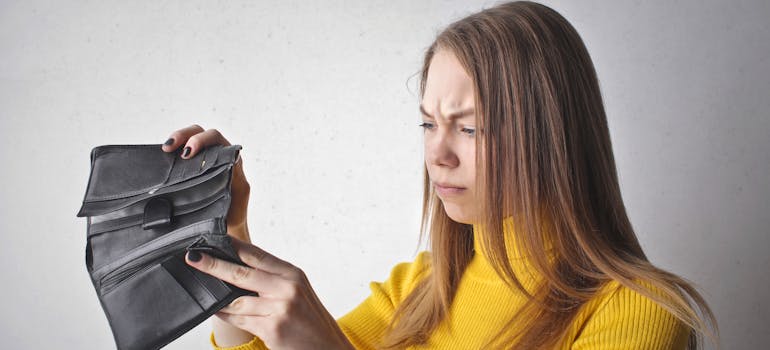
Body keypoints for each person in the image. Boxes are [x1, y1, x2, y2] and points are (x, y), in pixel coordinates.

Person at [161, 1, 718, 349]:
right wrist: (226, 234)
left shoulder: (640, 312)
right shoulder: (423, 287)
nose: (438, 156)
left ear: (553, 138)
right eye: (428, 123)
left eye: (469, 129)